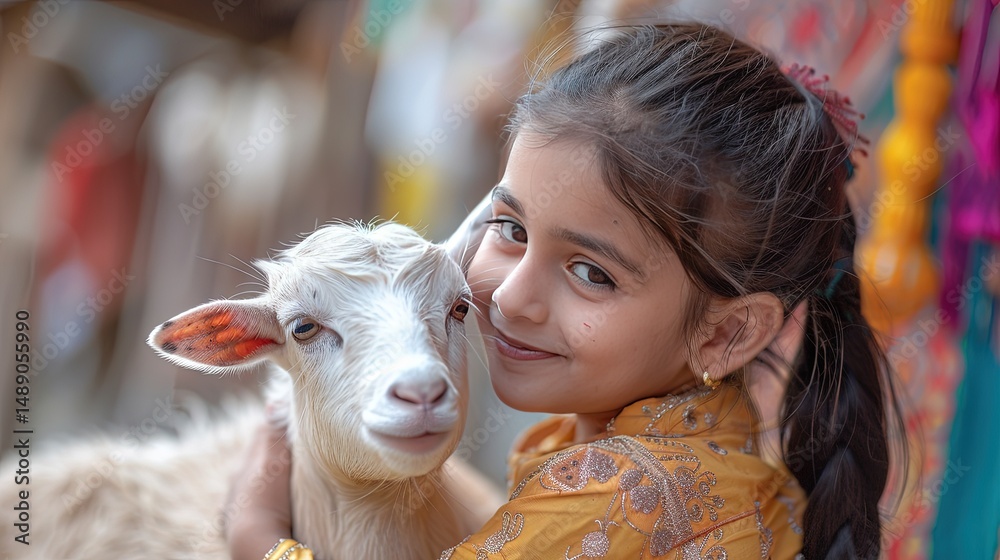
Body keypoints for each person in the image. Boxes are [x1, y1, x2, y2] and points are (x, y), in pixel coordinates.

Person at [227, 22, 903, 559]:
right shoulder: (709, 459)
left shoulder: (618, 495)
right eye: (510, 228)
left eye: (591, 274)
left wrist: (258, 535)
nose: (510, 299)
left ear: (726, 333)